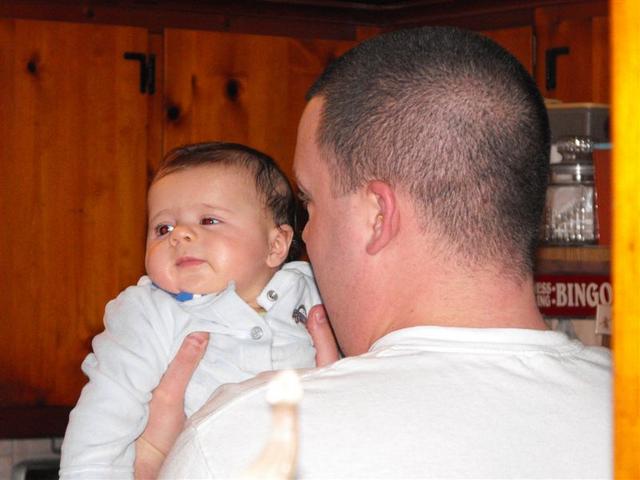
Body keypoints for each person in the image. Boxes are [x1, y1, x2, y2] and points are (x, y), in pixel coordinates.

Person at [139, 27, 612, 479]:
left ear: (377, 216)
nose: (306, 238)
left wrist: (155, 464)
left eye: (309, 203)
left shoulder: (249, 439)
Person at [59, 142, 322, 479]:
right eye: (163, 228)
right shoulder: (149, 313)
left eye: (208, 220)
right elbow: (105, 414)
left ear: (275, 245)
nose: (179, 235)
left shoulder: (310, 290)